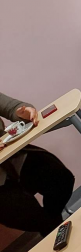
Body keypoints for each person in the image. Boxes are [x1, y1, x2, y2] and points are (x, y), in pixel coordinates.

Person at [0, 93, 74, 237]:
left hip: (13, 157)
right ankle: (56, 232)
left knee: (60, 178)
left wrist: (23, 113)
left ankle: (54, 229)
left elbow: (12, 107)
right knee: (28, 215)